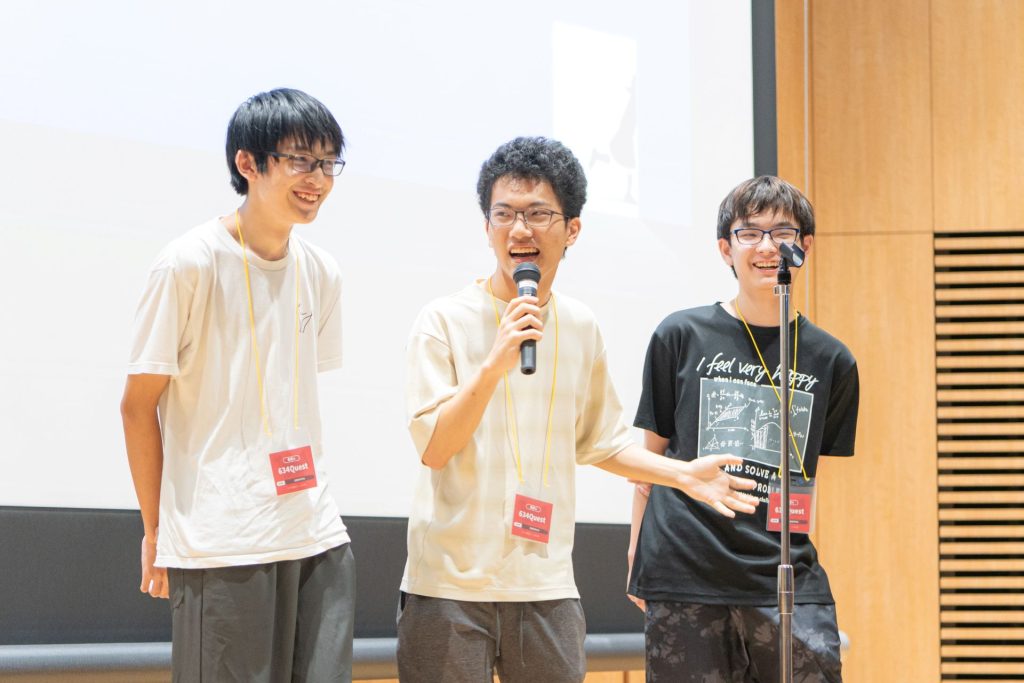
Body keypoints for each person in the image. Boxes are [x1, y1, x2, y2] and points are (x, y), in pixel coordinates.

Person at [397, 136, 758, 683]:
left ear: (572, 229)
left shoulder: (581, 326)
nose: (520, 230)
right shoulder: (442, 320)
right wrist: (494, 363)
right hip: (447, 587)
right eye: (504, 214)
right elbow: (435, 447)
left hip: (546, 586)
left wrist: (682, 475)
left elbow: (601, 442)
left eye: (538, 213)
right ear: (487, 227)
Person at [120, 88, 355, 682]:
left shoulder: (321, 270)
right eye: (300, 160)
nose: (317, 178)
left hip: (316, 534)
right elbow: (137, 406)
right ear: (247, 163)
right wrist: (156, 531)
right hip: (222, 541)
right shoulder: (188, 263)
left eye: (328, 162)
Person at [627, 176, 859, 682]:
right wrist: (637, 553)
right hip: (685, 568)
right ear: (725, 249)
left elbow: (812, 475)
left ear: (805, 246)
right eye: (749, 233)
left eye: (783, 233)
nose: (767, 246)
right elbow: (650, 461)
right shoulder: (680, 334)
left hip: (783, 574)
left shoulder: (831, 359)